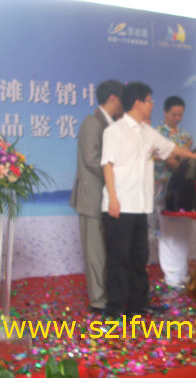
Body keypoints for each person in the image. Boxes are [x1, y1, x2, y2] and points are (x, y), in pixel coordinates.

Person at [100, 82, 196, 318]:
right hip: (120, 205)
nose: (152, 105)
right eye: (149, 101)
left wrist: (195, 155)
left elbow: (171, 148)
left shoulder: (147, 132)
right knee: (119, 259)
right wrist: (113, 199)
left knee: (139, 257)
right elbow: (107, 165)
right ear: (137, 103)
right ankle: (116, 309)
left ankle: (138, 305)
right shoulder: (114, 131)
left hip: (141, 205)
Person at [70, 80, 124, 312]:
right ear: (113, 98)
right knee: (95, 252)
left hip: (105, 195)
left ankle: (107, 295)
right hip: (91, 196)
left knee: (105, 250)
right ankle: (98, 301)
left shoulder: (111, 123)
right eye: (123, 99)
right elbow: (92, 159)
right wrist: (118, 171)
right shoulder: (92, 122)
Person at [153, 96, 196, 288]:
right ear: (165, 112)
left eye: (180, 114)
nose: (177, 118)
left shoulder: (186, 136)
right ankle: (171, 276)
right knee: (168, 234)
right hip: (164, 190)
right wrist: (172, 159)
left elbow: (188, 160)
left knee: (183, 233)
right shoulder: (156, 133)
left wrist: (177, 159)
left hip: (183, 191)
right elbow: (163, 158)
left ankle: (182, 272)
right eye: (174, 114)